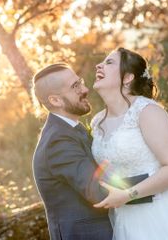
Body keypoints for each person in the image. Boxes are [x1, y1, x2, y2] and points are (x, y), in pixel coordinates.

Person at [91, 47, 168, 240]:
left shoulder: (146, 111)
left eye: (109, 62)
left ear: (128, 77)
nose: (99, 65)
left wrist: (127, 195)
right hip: (127, 219)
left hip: (166, 212)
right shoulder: (97, 121)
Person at [32, 63, 113, 240]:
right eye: (75, 86)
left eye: (80, 82)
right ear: (55, 100)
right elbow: (98, 191)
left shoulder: (72, 129)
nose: (85, 89)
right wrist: (150, 182)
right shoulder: (58, 141)